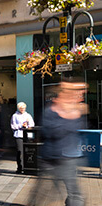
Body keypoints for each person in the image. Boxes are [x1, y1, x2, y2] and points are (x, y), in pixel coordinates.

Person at [35, 78, 87, 206]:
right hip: (51, 158)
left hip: (68, 158)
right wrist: (68, 117)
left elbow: (78, 127)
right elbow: (49, 132)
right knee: (42, 194)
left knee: (74, 195)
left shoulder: (74, 109)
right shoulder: (50, 110)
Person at [11, 102, 34, 174]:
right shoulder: (15, 116)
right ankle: (20, 167)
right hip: (19, 135)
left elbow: (32, 124)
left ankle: (28, 167)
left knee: (28, 151)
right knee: (20, 152)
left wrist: (26, 126)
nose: (22, 110)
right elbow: (13, 126)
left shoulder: (28, 115)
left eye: (23, 108)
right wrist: (21, 125)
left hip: (27, 135)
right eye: (21, 108)